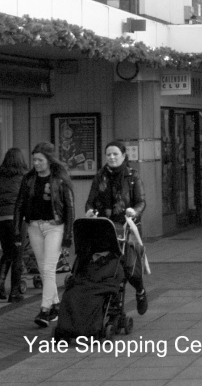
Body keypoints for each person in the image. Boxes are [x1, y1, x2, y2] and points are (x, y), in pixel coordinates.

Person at [13, 142, 74, 327]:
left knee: (48, 269)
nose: (36, 163)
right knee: (43, 269)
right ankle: (56, 305)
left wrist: (68, 236)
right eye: (34, 160)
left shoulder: (60, 179)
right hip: (34, 227)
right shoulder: (28, 179)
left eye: (40, 160)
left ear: (49, 160)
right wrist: (17, 231)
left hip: (55, 227)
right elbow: (19, 205)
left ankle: (45, 309)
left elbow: (69, 208)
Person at [84, 140, 149, 315]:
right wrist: (90, 211)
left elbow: (141, 202)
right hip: (105, 227)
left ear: (123, 156)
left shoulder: (132, 176)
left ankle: (140, 291)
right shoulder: (100, 176)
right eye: (108, 154)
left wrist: (134, 211)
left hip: (128, 227)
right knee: (107, 266)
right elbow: (90, 201)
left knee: (130, 268)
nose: (111, 157)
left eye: (115, 154)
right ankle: (111, 301)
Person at [0, 148, 28, 302]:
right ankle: (15, 292)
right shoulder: (24, 176)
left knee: (7, 253)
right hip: (17, 219)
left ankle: (0, 287)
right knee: (18, 254)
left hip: (1, 218)